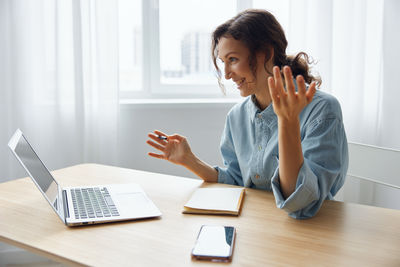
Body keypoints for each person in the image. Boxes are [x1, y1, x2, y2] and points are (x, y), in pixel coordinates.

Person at [146, 9, 348, 219]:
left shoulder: (322, 110)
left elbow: (301, 205)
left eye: (233, 59)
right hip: (254, 225)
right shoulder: (237, 116)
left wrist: (288, 123)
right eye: (223, 62)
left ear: (266, 54)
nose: (226, 74)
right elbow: (236, 181)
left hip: (311, 234)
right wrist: (189, 160)